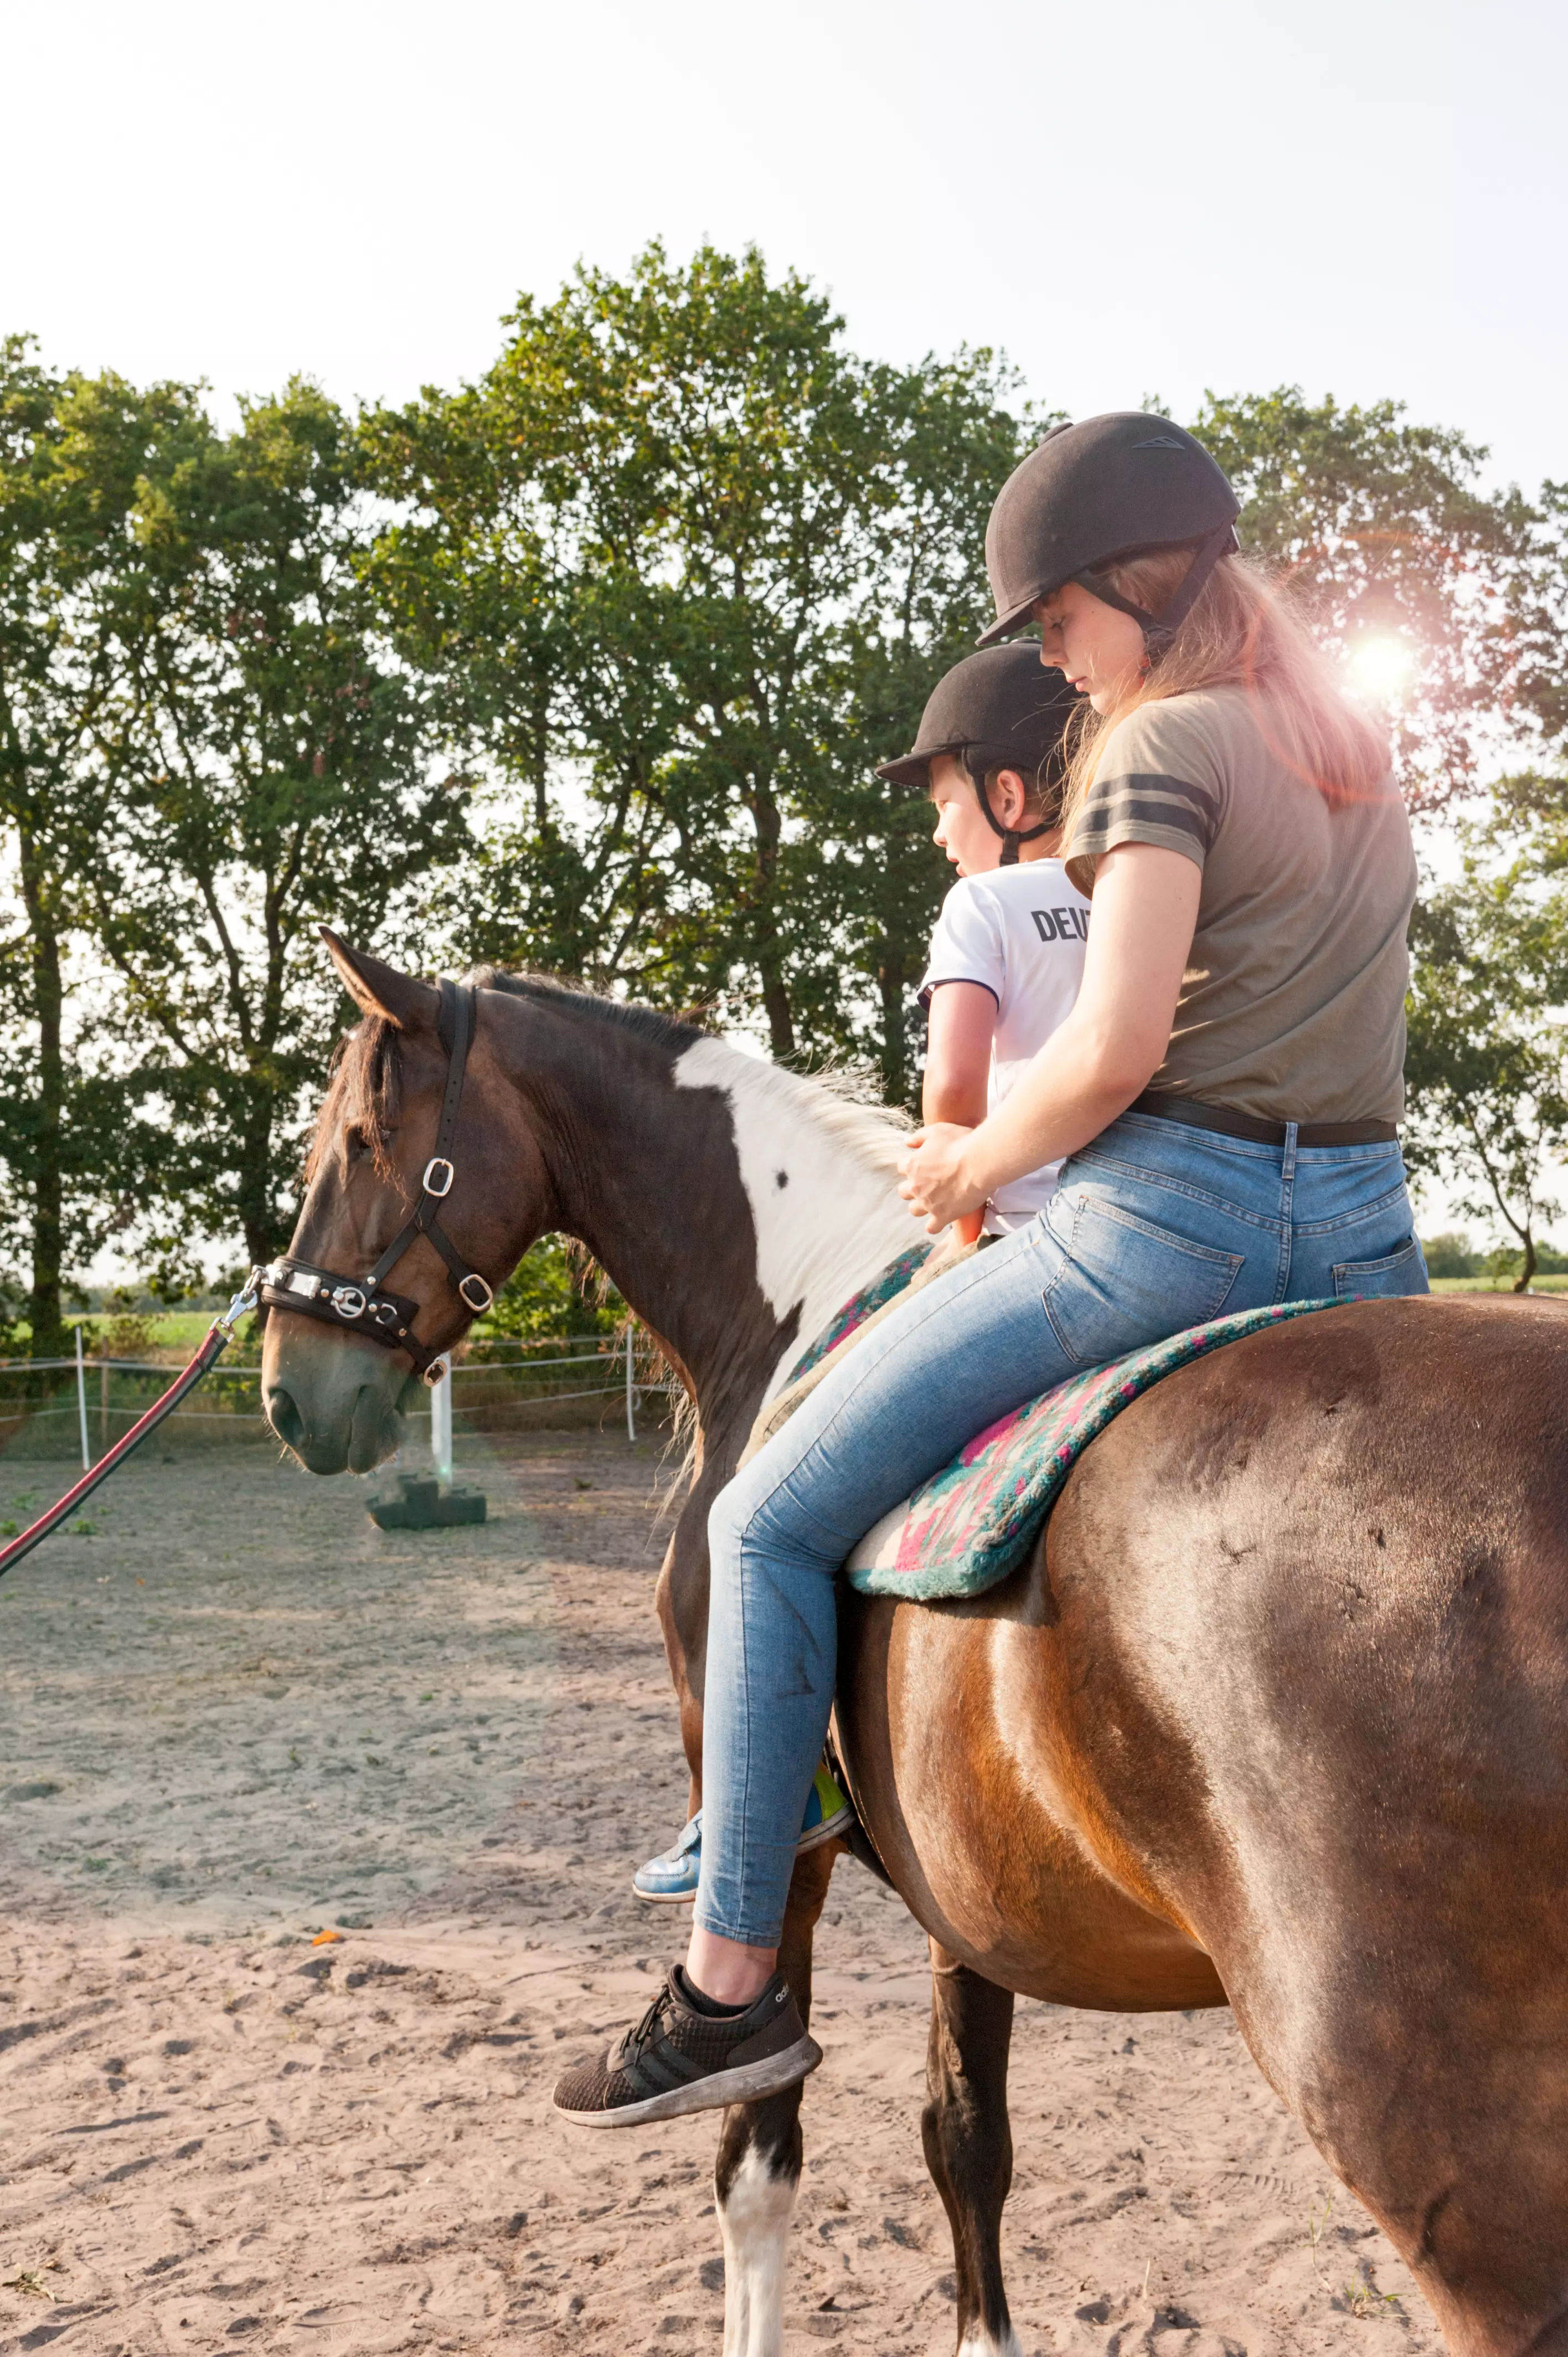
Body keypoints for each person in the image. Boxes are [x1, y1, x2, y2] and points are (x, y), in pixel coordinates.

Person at [555, 411, 1425, 2128]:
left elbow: (1107, 1061)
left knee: (765, 1517)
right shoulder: (1358, 756)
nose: (1044, 654)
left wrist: (967, 1159)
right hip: (1375, 1236)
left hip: (1173, 1225)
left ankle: (731, 1987)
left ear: (1131, 582)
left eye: (1048, 618)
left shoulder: (1154, 744)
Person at [629, 644, 1086, 1905]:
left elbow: (949, 1107)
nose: (939, 832)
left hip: (1015, 1240)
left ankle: (777, 1794)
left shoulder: (985, 911)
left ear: (1008, 795)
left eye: (944, 799)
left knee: (761, 1488)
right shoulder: (1148, 895)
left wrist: (952, 1233)